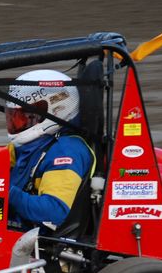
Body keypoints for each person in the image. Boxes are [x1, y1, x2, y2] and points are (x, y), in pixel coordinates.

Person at [6, 69, 95, 232]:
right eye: (14, 117)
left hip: (37, 242)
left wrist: (4, 191)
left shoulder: (66, 151)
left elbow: (55, 211)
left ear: (56, 111)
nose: (17, 122)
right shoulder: (23, 146)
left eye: (25, 117)